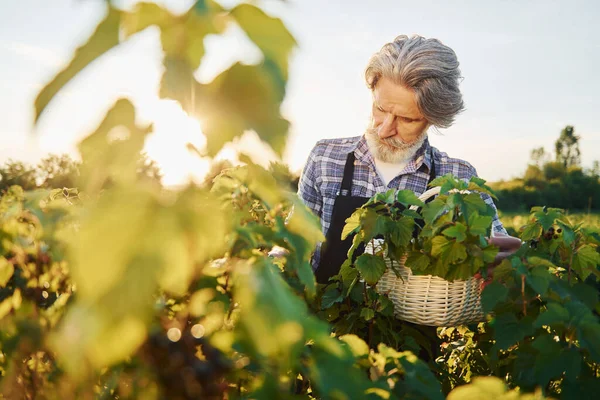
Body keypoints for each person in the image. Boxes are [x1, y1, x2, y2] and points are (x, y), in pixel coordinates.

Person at [297, 35, 521, 285]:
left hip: (417, 321)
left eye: (406, 119)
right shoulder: (326, 157)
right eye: (380, 110)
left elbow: (499, 244)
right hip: (326, 320)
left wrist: (501, 260)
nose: (384, 130)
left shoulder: (457, 177)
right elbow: (293, 241)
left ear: (433, 119)